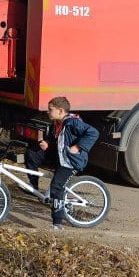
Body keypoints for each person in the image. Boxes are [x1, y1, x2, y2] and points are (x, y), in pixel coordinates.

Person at [24, 96, 99, 229]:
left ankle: (57, 223)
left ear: (60, 111)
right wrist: (47, 144)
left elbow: (93, 132)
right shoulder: (57, 123)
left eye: (50, 110)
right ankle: (34, 184)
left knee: (56, 188)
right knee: (32, 153)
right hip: (60, 156)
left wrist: (78, 147)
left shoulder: (73, 123)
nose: (48, 112)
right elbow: (59, 141)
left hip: (71, 161)